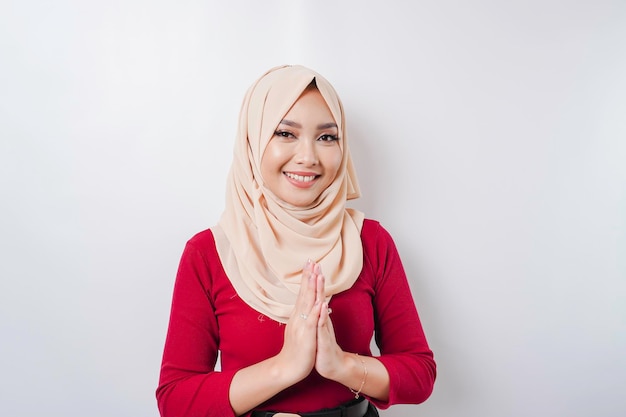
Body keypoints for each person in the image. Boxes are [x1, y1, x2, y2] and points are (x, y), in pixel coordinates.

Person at [156, 65, 436, 417]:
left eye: (326, 137)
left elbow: (420, 374)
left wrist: (341, 365)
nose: (308, 157)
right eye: (285, 134)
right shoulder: (209, 253)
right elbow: (175, 400)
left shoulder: (371, 242)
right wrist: (284, 368)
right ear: (253, 140)